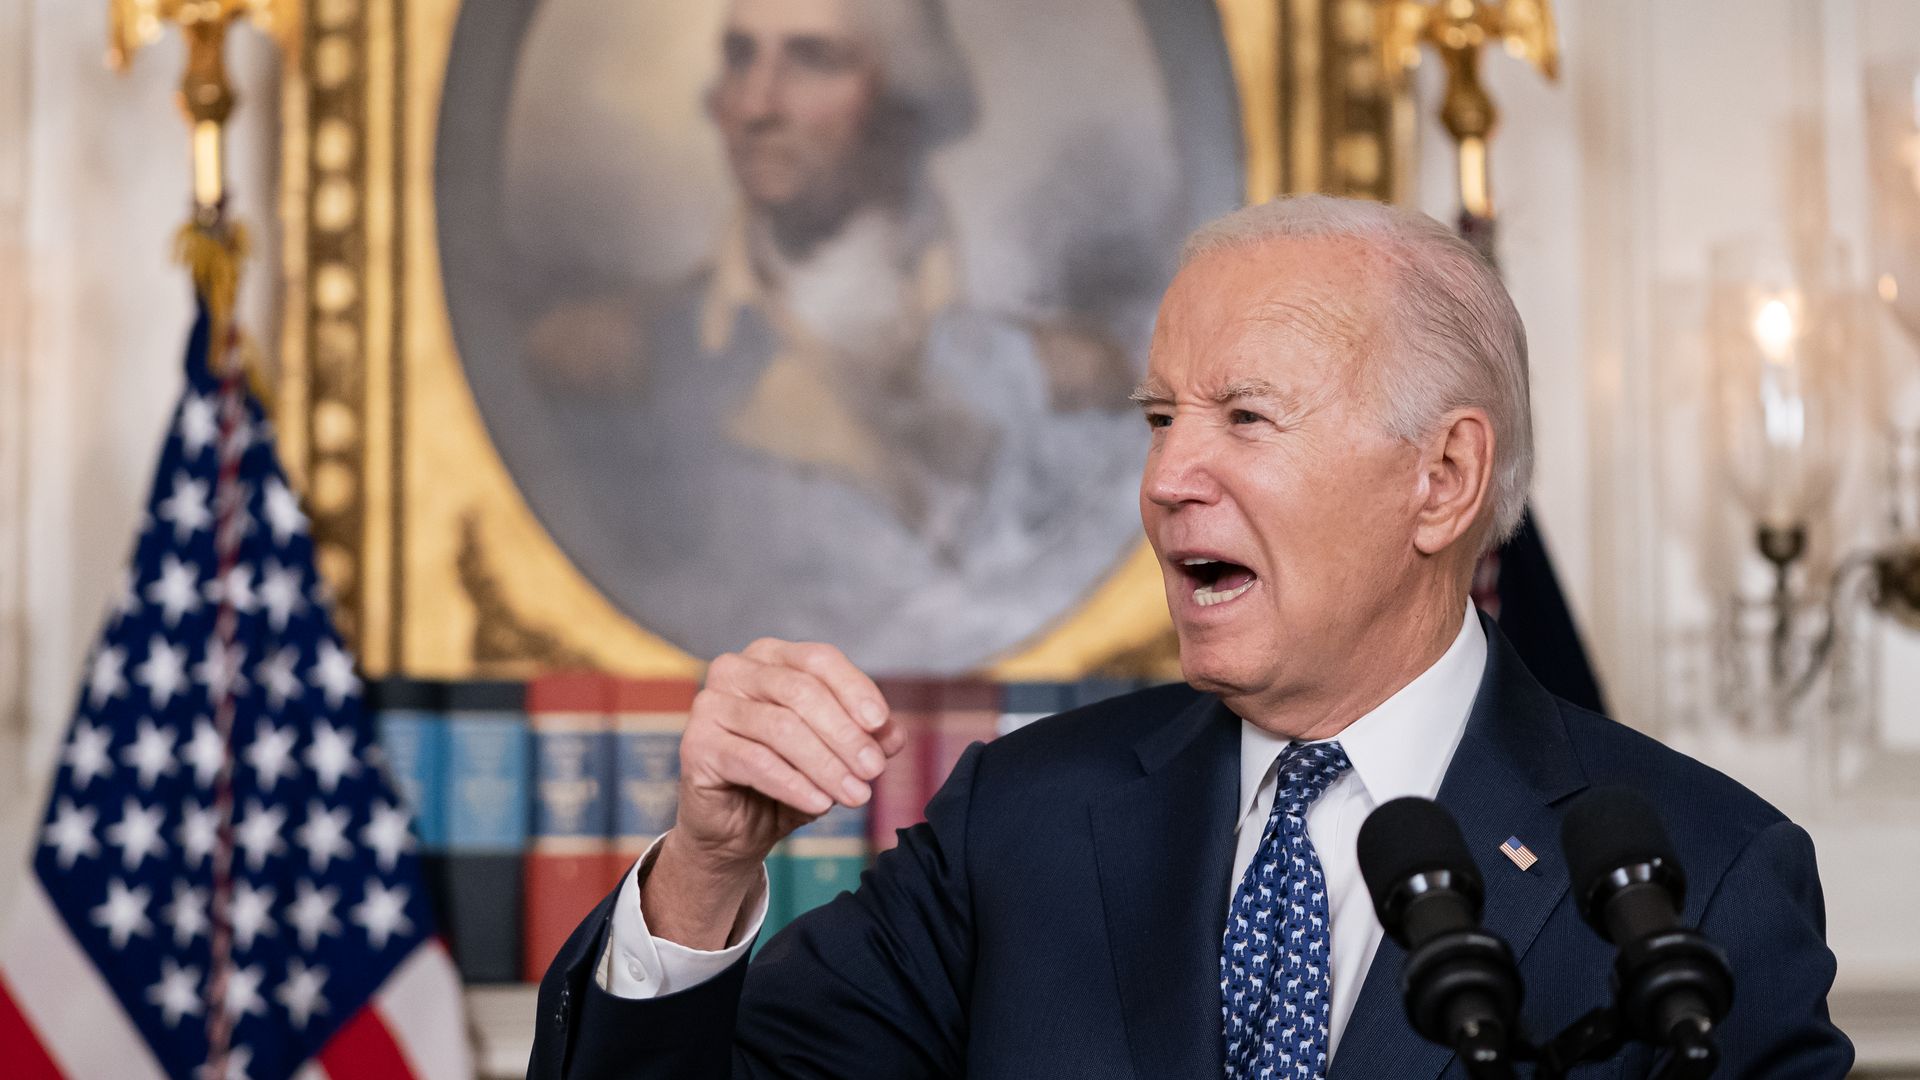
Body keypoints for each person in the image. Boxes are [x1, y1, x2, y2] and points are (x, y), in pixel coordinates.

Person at [527, 195, 1853, 1078]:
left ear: (1441, 481)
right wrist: (702, 873)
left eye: (1246, 419)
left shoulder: (1705, 883)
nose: (1166, 481)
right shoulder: (1021, 824)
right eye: (1161, 419)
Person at [522, 0, 1147, 672]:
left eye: (812, 60)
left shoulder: (1054, 378)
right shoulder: (614, 361)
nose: (757, 105)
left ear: (903, 103)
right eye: (740, 57)